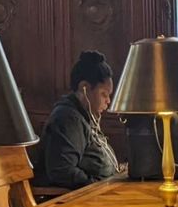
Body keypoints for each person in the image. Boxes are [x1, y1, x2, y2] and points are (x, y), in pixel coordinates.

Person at [41, 49, 119, 189]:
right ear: (84, 88)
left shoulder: (84, 116)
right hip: (84, 201)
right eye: (103, 94)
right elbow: (62, 171)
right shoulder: (68, 119)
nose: (108, 101)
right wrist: (95, 185)